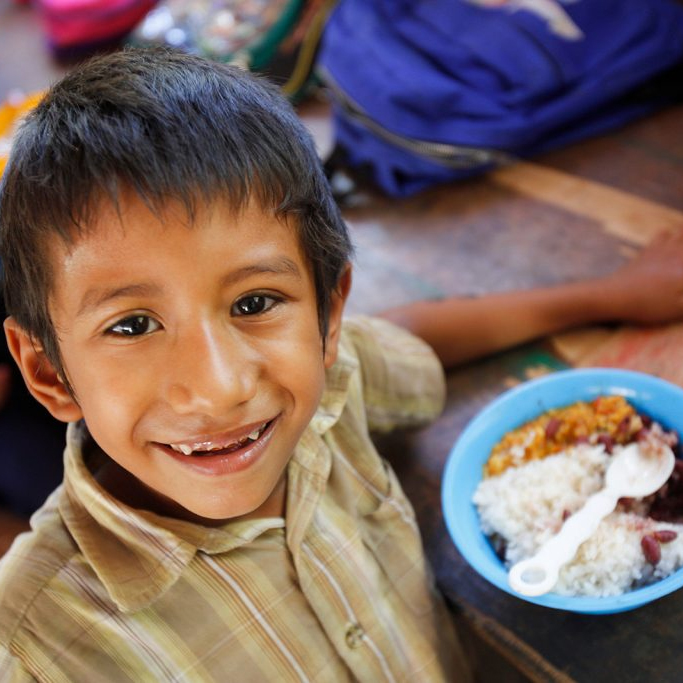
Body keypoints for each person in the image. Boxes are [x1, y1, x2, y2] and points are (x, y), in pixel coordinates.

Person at [1, 47, 683, 682]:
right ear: (49, 374)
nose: (220, 385)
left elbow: (404, 333)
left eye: (255, 301)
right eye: (132, 324)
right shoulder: (34, 649)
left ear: (327, 318)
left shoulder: (333, 386)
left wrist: (607, 295)